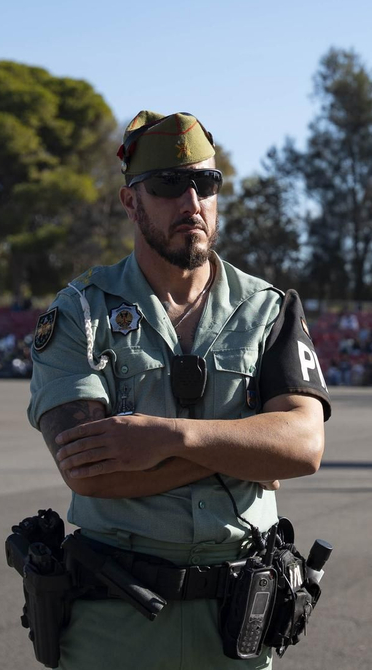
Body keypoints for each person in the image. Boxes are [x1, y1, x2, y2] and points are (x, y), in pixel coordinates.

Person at [27, 111, 330, 670]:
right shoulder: (80, 313)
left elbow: (304, 446)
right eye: (168, 185)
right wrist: (246, 453)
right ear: (130, 202)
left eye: (206, 184)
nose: (192, 202)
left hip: (239, 624)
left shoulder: (268, 310)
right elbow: (91, 471)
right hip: (115, 623)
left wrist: (166, 437)